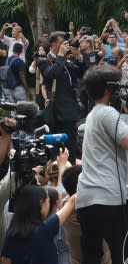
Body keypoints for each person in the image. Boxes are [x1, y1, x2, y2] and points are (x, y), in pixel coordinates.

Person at [76, 65, 128, 264]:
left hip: (87, 199)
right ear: (111, 89)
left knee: (91, 257)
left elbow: (125, 151)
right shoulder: (107, 113)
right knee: (122, 259)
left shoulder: (93, 115)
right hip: (109, 198)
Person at [1, 185, 76, 264]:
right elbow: (72, 203)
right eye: (48, 201)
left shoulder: (11, 233)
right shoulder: (45, 229)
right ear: (41, 204)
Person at [38, 31, 82, 164]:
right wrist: (61, 55)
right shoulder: (45, 61)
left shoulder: (66, 61)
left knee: (71, 145)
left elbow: (80, 73)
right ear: (52, 44)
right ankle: (57, 173)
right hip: (57, 112)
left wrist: (79, 57)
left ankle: (71, 172)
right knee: (58, 147)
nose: (65, 45)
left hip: (70, 109)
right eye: (61, 43)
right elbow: (52, 74)